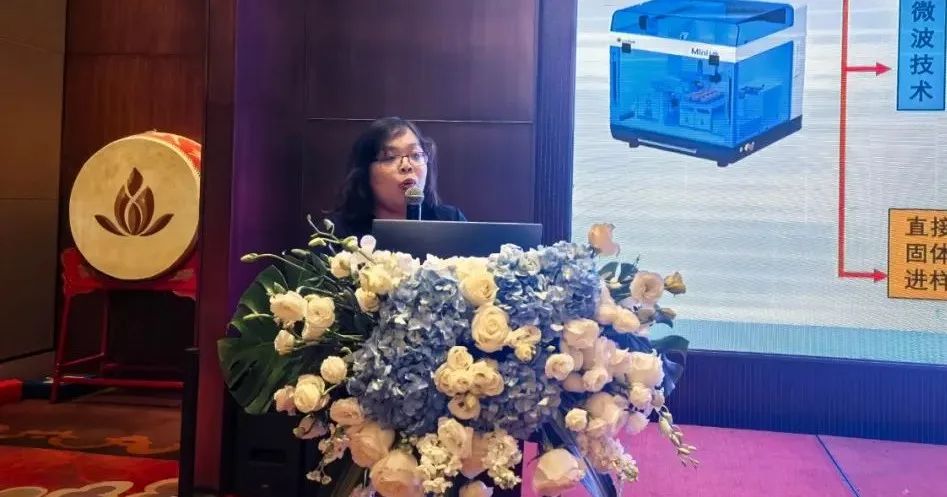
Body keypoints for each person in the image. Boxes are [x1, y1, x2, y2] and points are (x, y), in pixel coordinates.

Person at [329, 117, 466, 239]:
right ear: (365, 172)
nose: (406, 166)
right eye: (390, 157)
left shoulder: (452, 221)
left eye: (416, 155)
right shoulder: (336, 233)